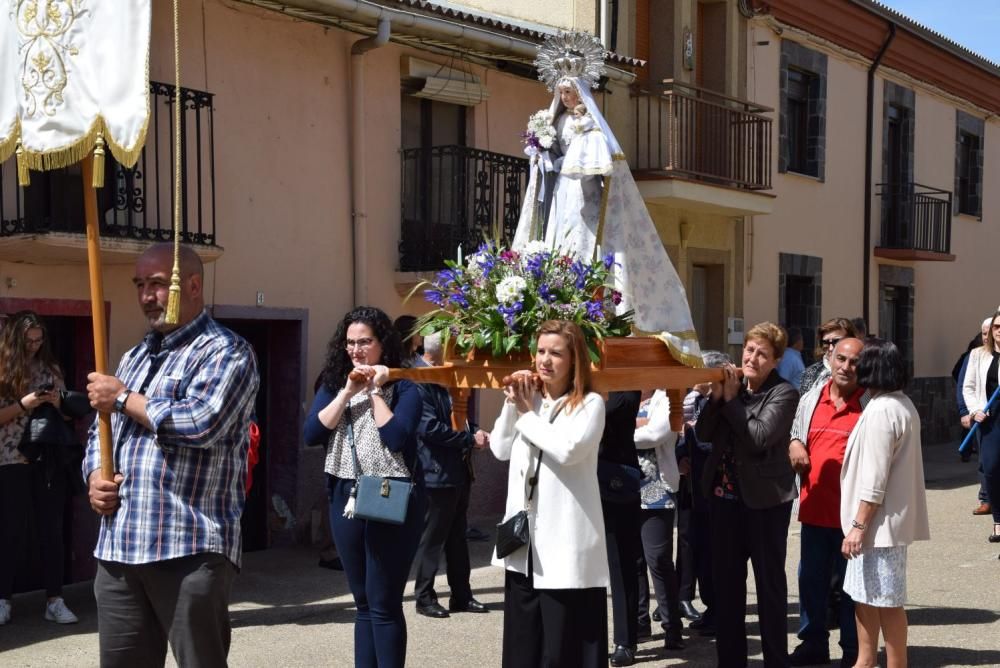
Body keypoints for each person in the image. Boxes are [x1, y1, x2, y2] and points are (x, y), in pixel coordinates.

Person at [84, 243, 260, 666]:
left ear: (193, 286)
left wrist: (123, 396)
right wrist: (94, 476)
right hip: (121, 546)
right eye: (140, 285)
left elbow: (202, 423)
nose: (147, 295)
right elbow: (98, 433)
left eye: (158, 284)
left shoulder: (227, 351)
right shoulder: (133, 356)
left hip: (188, 545)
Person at [304, 306, 427, 668]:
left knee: (384, 602)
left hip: (391, 490)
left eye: (365, 342)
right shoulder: (333, 383)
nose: (357, 350)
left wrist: (374, 391)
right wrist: (346, 393)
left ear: (382, 344)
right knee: (362, 602)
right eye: (351, 343)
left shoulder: (406, 387)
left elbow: (395, 436)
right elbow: (312, 433)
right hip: (346, 493)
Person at [490, 320, 608, 668]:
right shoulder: (531, 402)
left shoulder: (590, 404)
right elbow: (499, 448)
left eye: (556, 353)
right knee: (523, 645)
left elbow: (568, 450)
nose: (545, 359)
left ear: (574, 359)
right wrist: (514, 405)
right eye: (541, 351)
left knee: (560, 649)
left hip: (565, 545)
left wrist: (526, 413)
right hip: (523, 543)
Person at [695, 322, 800, 668]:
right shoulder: (731, 389)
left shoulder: (783, 393)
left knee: (769, 587)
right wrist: (717, 396)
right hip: (725, 499)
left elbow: (758, 437)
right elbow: (705, 432)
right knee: (727, 589)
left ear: (776, 360)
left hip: (766, 502)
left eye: (762, 354)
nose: (753, 358)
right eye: (750, 350)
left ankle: (775, 661)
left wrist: (730, 401)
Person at [841, 338, 930, 668]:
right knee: (867, 598)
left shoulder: (882, 410)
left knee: (886, 601)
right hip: (883, 525)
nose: (853, 366)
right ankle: (866, 661)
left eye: (860, 360)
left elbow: (874, 479)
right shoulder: (900, 403)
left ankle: (882, 663)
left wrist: (858, 525)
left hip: (877, 527)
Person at [787, 338, 867, 667]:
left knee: (851, 590)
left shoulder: (870, 403)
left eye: (854, 362)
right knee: (810, 583)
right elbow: (795, 430)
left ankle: (852, 651)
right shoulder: (811, 398)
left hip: (852, 519)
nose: (846, 367)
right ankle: (813, 644)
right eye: (841, 359)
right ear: (829, 359)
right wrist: (794, 443)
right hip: (815, 509)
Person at [0, 311, 78, 625]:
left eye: (39, 339)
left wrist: (59, 403)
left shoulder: (51, 367)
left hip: (47, 458)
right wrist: (25, 403)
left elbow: (70, 417)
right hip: (10, 458)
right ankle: (3, 598)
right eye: (28, 341)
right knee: (11, 532)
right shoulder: (4, 368)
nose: (34, 346)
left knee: (51, 531)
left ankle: (55, 600)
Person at [412, 332, 490, 619]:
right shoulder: (419, 379)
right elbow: (429, 428)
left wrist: (475, 430)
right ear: (441, 351)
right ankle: (423, 596)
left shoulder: (446, 375)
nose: (461, 355)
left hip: (456, 470)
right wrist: (470, 439)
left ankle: (462, 595)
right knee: (432, 538)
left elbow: (459, 418)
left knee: (457, 537)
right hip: (435, 471)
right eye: (456, 349)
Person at [674, 351, 733, 639]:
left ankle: (719, 612)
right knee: (699, 549)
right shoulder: (696, 401)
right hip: (696, 487)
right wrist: (682, 453)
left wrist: (694, 434)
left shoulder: (724, 403)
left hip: (718, 489)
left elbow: (713, 441)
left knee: (715, 553)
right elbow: (685, 438)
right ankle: (710, 609)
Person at [632, 388, 685, 655]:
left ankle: (672, 626)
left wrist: (623, 430)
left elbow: (656, 434)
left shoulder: (667, 397)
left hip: (656, 488)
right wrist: (638, 425)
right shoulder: (623, 393)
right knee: (634, 561)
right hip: (625, 486)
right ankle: (639, 622)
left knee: (658, 559)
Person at [598, 391, 644, 666]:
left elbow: (603, 412)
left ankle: (625, 640)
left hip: (615, 478)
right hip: (581, 478)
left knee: (622, 563)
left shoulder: (625, 382)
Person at [962, 311, 1000, 545]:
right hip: (989, 421)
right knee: (992, 470)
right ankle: (999, 520)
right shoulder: (978, 355)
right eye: (997, 326)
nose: (999, 330)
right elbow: (968, 386)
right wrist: (975, 410)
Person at [956, 319, 991, 511]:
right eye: (984, 333)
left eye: (989, 332)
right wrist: (966, 411)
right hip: (981, 415)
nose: (987, 337)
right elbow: (964, 385)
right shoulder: (974, 356)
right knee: (985, 460)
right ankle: (986, 499)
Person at [800, 318, 858, 395]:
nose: (831, 348)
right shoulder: (810, 374)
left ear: (852, 340)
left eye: (836, 341)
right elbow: (803, 405)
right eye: (826, 343)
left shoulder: (863, 370)